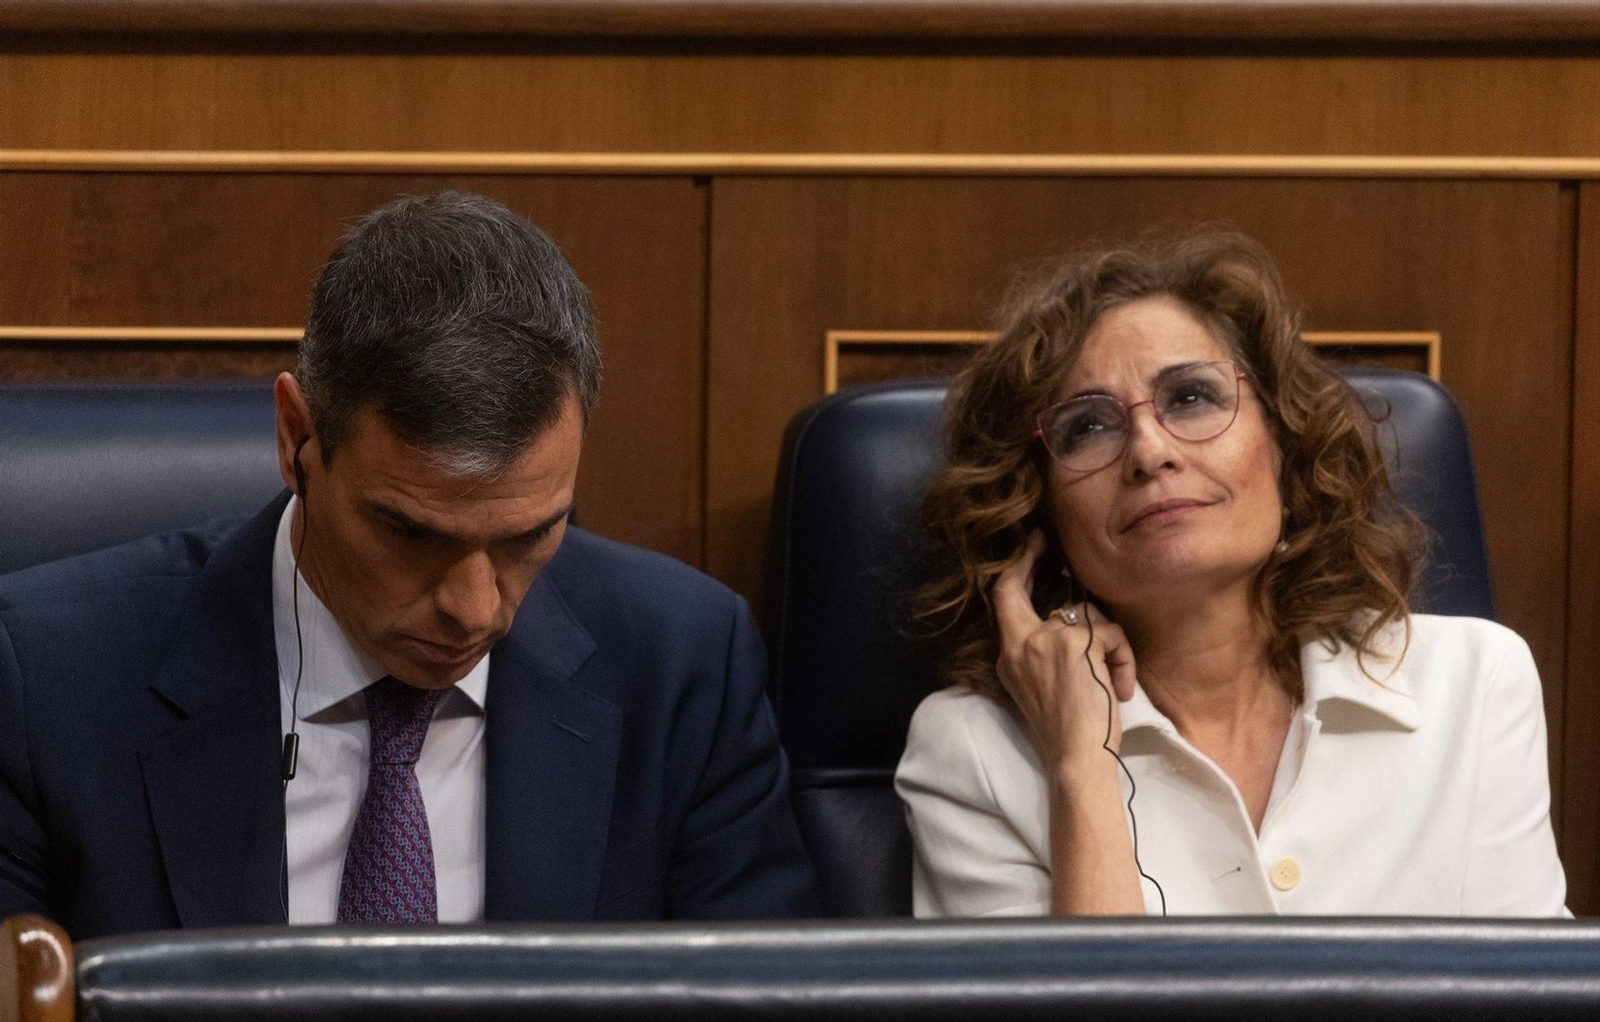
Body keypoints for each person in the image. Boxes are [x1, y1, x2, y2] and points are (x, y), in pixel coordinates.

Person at [0, 191, 819, 939]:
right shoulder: (45, 683)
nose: (474, 609)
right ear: (297, 439)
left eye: (527, 536)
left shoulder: (683, 667)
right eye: (413, 535)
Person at [895, 229, 1568, 917]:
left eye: (1191, 397)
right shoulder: (973, 750)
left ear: (1283, 443)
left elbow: (1529, 981)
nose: (1149, 451)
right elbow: (1086, 986)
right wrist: (1082, 766)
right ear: (1038, 505)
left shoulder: (1473, 683)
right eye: (1088, 427)